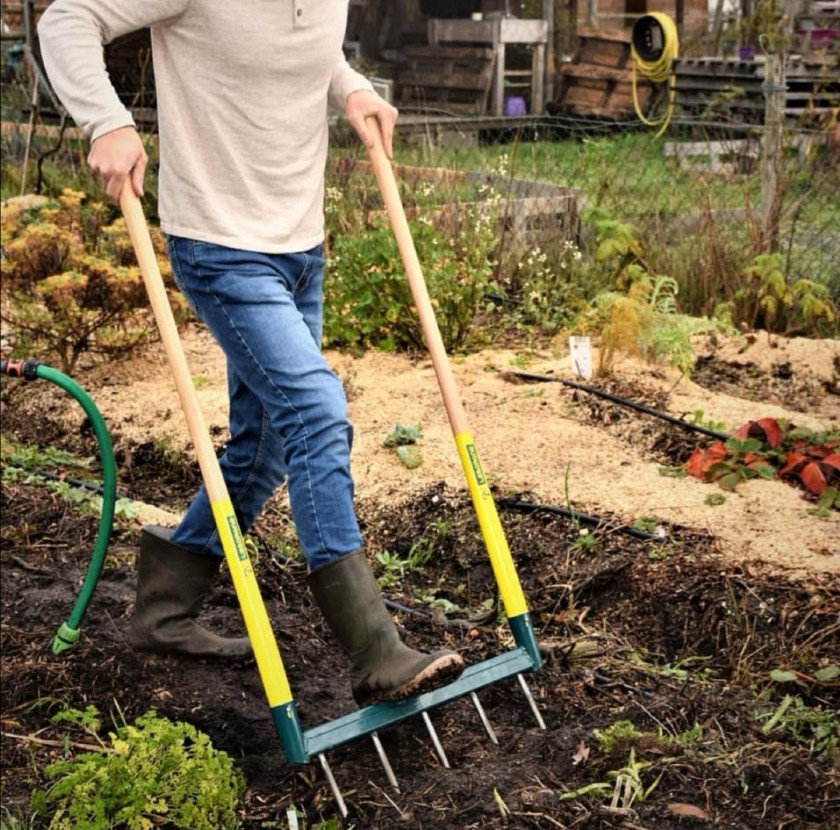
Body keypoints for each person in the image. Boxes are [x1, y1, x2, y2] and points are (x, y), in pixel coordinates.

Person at [37, 0, 464, 707]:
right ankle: (373, 648)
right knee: (316, 408)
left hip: (299, 245)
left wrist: (350, 85)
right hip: (220, 246)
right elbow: (66, 18)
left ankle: (163, 611)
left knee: (262, 447)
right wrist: (107, 121)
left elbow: (297, 50)